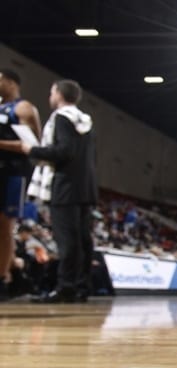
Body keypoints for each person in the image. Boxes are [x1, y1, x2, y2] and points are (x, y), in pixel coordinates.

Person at [14, 80, 96, 303]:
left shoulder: (61, 118)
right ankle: (81, 286)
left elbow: (63, 151)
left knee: (67, 240)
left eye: (51, 92)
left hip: (64, 186)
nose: (50, 96)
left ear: (58, 94)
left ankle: (66, 288)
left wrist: (32, 149)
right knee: (81, 240)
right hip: (85, 186)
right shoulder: (84, 121)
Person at [0, 68, 42, 299]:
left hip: (14, 173)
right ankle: (17, 275)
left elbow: (32, 144)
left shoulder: (22, 108)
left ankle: (3, 280)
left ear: (11, 81)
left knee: (4, 226)